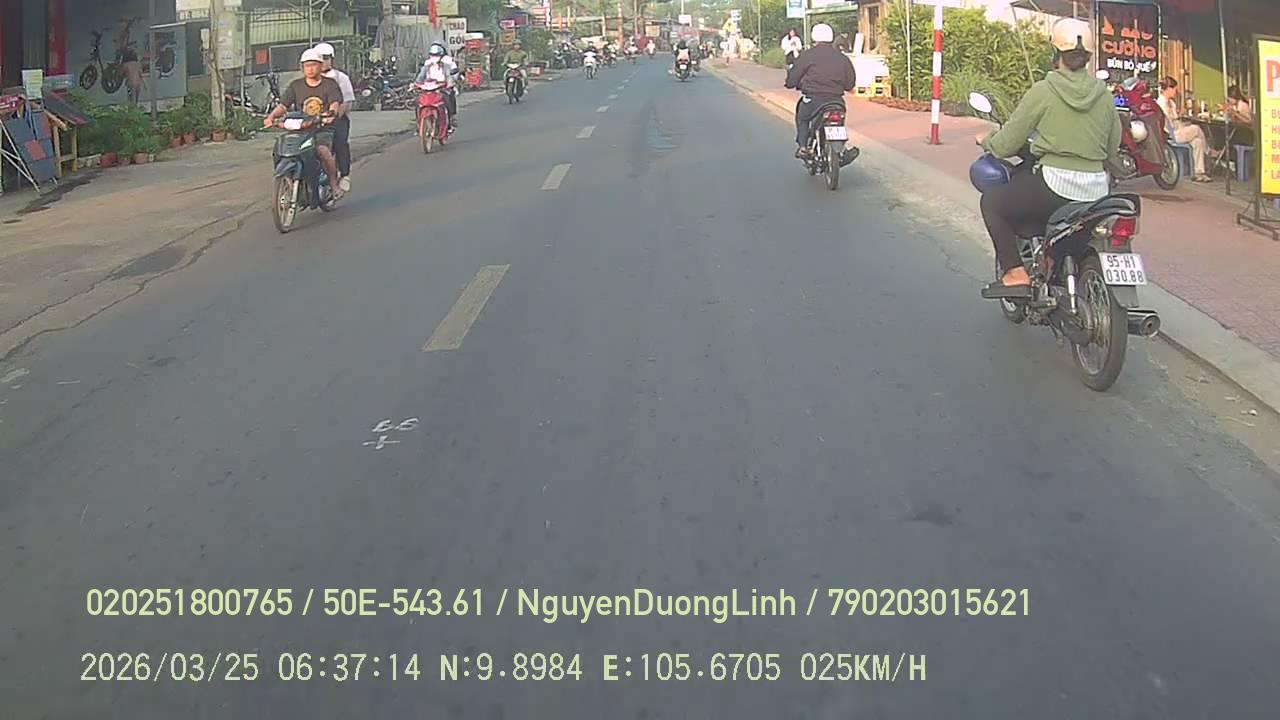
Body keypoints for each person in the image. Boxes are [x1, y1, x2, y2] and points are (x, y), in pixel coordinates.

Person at [975, 18, 1122, 297]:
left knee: (992, 203)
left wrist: (987, 141)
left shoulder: (1044, 90)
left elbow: (1007, 144)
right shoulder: (1104, 96)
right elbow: (1112, 148)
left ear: (1056, 53)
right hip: (1096, 191)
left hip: (1055, 186)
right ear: (1089, 57)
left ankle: (1015, 273)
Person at [263, 48, 345, 198]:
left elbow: (335, 102)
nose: (310, 69)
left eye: (314, 65)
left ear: (320, 66)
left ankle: (333, 185)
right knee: (280, 148)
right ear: (302, 67)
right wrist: (271, 117)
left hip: (322, 128)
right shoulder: (296, 85)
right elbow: (283, 106)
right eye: (307, 65)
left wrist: (331, 114)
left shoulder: (330, 84)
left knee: (322, 151)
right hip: (300, 128)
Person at [784, 23, 856, 159]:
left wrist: (790, 83)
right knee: (839, 120)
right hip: (836, 101)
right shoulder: (842, 58)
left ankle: (803, 147)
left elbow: (793, 78)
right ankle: (842, 149)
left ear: (814, 37)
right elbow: (850, 83)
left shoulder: (807, 56)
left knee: (802, 118)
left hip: (812, 100)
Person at [313, 42, 355, 193]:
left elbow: (347, 102)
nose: (323, 62)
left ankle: (344, 174)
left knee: (340, 142)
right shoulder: (309, 79)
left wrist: (334, 116)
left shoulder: (340, 78)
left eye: (326, 58)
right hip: (313, 121)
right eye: (319, 59)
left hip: (336, 119)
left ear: (331, 59)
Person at [1156, 77, 1211, 183]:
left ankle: (1199, 173)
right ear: (1169, 89)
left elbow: (1176, 119)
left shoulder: (1171, 103)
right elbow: (1168, 121)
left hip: (1178, 129)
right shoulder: (1161, 103)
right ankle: (1209, 152)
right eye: (1174, 89)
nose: (1175, 92)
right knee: (1196, 128)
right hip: (1171, 134)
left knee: (1197, 141)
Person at [414, 43, 460, 130]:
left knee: (448, 100)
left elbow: (449, 76)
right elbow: (421, 76)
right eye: (432, 55)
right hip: (428, 88)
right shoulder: (427, 64)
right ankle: (418, 124)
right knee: (418, 103)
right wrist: (415, 84)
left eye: (436, 55)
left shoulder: (446, 64)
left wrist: (450, 83)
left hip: (442, 87)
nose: (434, 57)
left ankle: (450, 121)